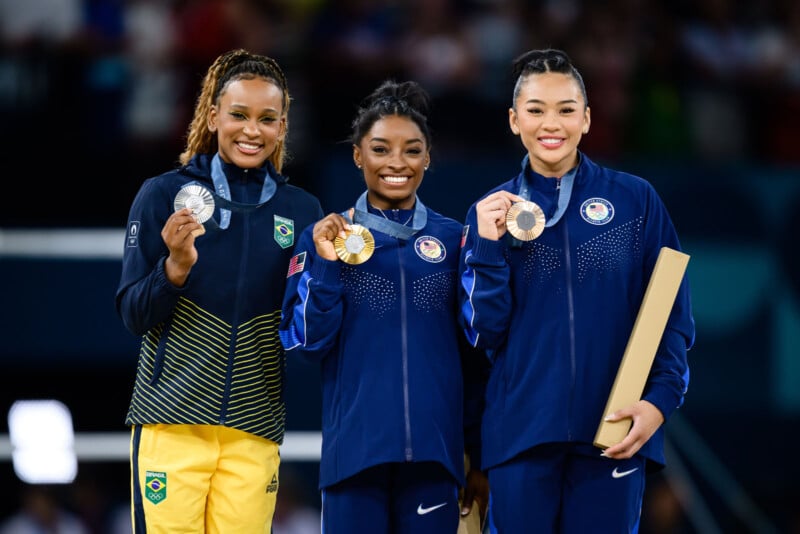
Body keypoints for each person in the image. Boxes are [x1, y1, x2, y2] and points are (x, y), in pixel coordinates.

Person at [458, 48, 695, 533]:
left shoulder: (635, 200)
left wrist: (659, 402)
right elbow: (484, 333)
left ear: (586, 119)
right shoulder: (490, 214)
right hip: (521, 433)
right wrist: (485, 245)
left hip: (615, 430)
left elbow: (669, 313)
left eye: (566, 109)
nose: (552, 123)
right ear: (513, 119)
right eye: (536, 109)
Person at [115, 48, 324, 533]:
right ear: (213, 116)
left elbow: (307, 329)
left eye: (267, 119)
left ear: (282, 125)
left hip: (254, 431)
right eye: (239, 115)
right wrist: (175, 267)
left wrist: (331, 273)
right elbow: (132, 312)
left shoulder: (302, 211)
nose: (253, 131)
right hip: (171, 422)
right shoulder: (162, 195)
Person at [279, 79, 489, 534]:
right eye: (380, 149)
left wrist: (480, 456)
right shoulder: (323, 239)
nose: (397, 163)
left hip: (435, 461)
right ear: (358, 156)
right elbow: (308, 344)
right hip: (353, 460)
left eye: (412, 150)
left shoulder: (455, 240)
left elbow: (477, 358)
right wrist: (329, 264)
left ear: (428, 157)